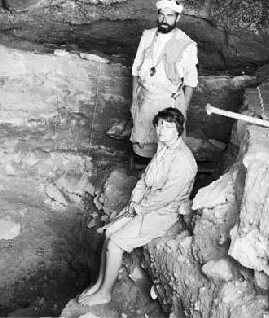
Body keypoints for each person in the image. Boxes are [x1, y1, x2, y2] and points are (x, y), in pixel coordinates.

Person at [79, 107, 198, 306]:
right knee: (109, 232)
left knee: (116, 243)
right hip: (143, 204)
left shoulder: (183, 160)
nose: (162, 130)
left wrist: (138, 209)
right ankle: (99, 283)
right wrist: (134, 201)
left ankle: (105, 293)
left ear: (178, 130)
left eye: (168, 126)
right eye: (159, 124)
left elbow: (166, 197)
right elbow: (144, 180)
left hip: (162, 212)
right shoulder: (163, 150)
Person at [131, 0, 198, 159]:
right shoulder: (147, 36)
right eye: (161, 15)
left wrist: (183, 111)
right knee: (143, 147)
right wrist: (134, 98)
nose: (164, 20)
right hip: (146, 98)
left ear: (177, 18)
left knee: (168, 149)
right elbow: (135, 69)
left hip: (170, 102)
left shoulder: (186, 44)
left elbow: (190, 82)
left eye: (169, 16)